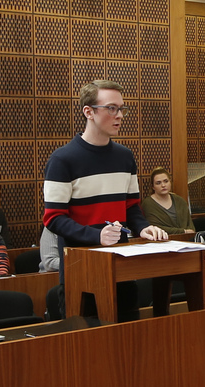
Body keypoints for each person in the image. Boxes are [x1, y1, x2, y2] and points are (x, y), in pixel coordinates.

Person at [42, 80, 167, 318]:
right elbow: (54, 218)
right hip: (82, 271)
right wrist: (95, 235)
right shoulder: (62, 160)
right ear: (88, 112)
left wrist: (143, 228)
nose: (119, 115)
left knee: (130, 339)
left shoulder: (125, 157)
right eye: (111, 108)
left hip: (121, 266)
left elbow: (131, 206)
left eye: (121, 109)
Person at [142, 167, 194, 235]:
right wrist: (183, 231)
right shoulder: (148, 204)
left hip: (186, 241)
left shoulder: (180, 201)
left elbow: (191, 227)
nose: (163, 185)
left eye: (166, 181)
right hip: (161, 241)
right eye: (158, 183)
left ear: (170, 182)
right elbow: (155, 228)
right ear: (153, 186)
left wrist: (187, 232)